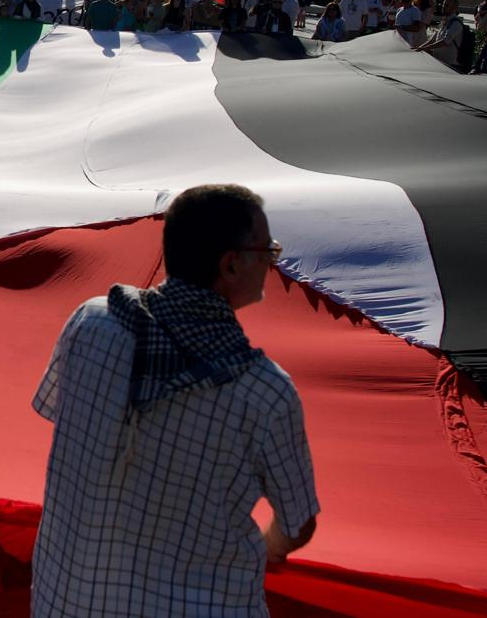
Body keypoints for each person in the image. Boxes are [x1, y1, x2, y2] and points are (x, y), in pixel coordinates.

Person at [31, 184, 318, 617]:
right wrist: (266, 549)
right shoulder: (262, 391)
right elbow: (298, 524)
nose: (272, 262)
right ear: (231, 264)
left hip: (69, 601)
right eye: (267, 251)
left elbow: (69, 427)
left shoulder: (92, 323)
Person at [412, 0, 466, 69]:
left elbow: (444, 41)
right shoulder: (444, 21)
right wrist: (419, 48)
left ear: (454, 8)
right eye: (443, 5)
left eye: (446, 5)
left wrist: (423, 48)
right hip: (438, 62)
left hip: (450, 64)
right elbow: (432, 40)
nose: (443, 7)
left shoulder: (456, 24)